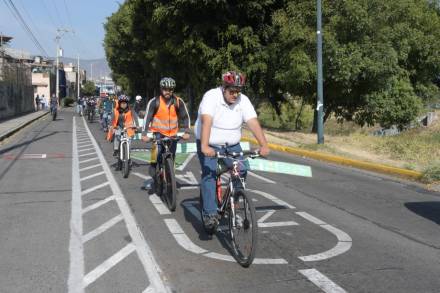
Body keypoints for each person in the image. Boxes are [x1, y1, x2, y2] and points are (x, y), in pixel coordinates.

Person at [195, 70, 270, 228]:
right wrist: (205, 146)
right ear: (223, 88)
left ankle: (233, 200)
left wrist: (264, 145)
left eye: (238, 91)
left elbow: (253, 122)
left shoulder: (243, 100)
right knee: (210, 173)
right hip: (210, 142)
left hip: (232, 143)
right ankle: (209, 214)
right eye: (232, 91)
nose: (235, 95)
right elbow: (206, 121)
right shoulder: (211, 97)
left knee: (241, 170)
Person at [141, 77, 191, 189]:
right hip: (158, 133)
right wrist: (144, 134)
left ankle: (169, 178)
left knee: (171, 157)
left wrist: (187, 132)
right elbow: (147, 118)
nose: (167, 92)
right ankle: (155, 172)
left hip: (173, 134)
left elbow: (185, 117)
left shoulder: (178, 102)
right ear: (161, 89)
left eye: (170, 89)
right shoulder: (154, 102)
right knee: (157, 154)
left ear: (173, 90)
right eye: (165, 89)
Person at [107, 95, 140, 161]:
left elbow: (135, 117)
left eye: (125, 103)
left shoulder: (131, 110)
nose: (123, 104)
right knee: (116, 135)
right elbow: (112, 119)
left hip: (128, 127)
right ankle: (116, 149)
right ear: (119, 103)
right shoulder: (115, 110)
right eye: (122, 103)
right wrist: (111, 126)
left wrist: (137, 125)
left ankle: (128, 156)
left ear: (127, 104)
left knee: (129, 141)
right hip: (118, 127)